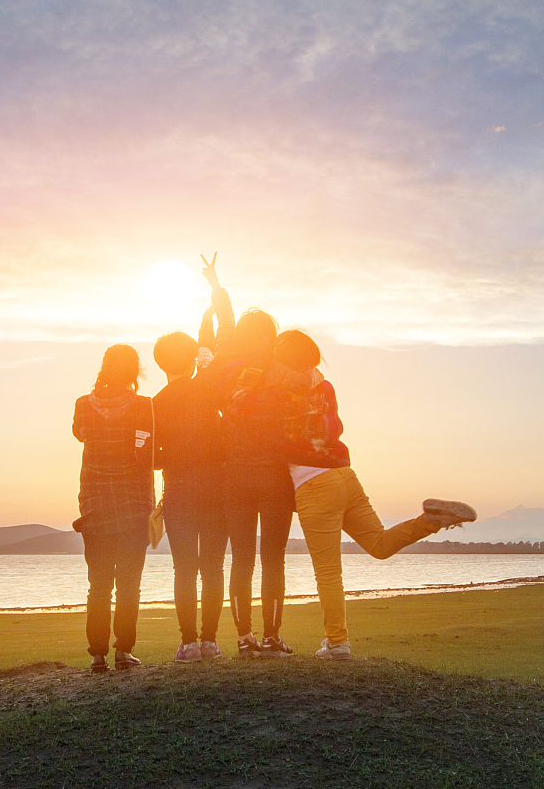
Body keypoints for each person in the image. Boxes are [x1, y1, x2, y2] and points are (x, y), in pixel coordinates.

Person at [266, 327, 476, 658]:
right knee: (378, 544)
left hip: (313, 485)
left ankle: (337, 642)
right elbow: (336, 428)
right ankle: (431, 521)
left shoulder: (275, 391)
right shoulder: (325, 387)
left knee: (328, 572)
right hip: (344, 476)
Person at [198, 260, 295, 657]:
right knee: (273, 559)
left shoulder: (223, 368)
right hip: (273, 473)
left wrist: (216, 286)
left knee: (241, 560)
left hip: (234, 474)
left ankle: (244, 638)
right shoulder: (277, 367)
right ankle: (272, 637)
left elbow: (225, 321)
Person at [71, 342, 154, 672]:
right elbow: (145, 452)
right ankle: (123, 651)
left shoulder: (83, 405)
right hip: (134, 506)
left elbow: (79, 434)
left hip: (94, 506)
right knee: (129, 583)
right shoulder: (144, 406)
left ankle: (97, 655)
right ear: (135, 371)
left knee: (99, 585)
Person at [150, 323, 229, 660]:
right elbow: (209, 352)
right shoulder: (208, 388)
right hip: (216, 487)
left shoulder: (156, 403)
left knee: (183, 568)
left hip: (179, 490)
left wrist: (176, 454)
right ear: (192, 360)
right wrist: (209, 315)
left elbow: (152, 457)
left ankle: (189, 644)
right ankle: (210, 641)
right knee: (212, 567)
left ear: (162, 365)